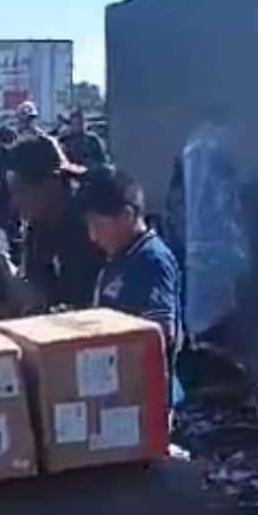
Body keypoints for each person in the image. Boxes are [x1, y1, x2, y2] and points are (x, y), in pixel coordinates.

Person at [73, 167, 182, 397]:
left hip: (146, 395)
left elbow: (160, 335)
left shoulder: (151, 260)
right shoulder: (118, 258)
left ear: (127, 215)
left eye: (98, 226)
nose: (93, 237)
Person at [6, 134, 103, 310]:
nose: (15, 201)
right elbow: (33, 294)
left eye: (20, 190)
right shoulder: (37, 229)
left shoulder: (92, 230)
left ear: (51, 184)